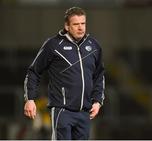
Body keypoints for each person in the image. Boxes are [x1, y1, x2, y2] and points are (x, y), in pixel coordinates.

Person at [23, 6, 105, 140]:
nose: (81, 28)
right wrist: (30, 99)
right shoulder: (54, 45)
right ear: (67, 26)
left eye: (83, 23)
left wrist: (97, 101)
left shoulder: (94, 46)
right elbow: (33, 72)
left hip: (85, 112)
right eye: (76, 24)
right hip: (62, 111)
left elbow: (99, 75)